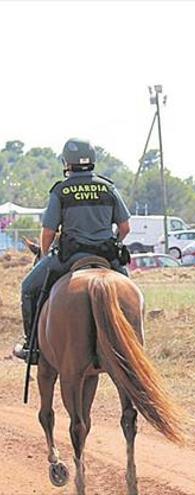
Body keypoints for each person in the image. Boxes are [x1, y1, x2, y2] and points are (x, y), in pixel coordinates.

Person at [13, 138, 131, 363]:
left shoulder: (61, 190)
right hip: (106, 255)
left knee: (28, 288)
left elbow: (48, 232)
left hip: (71, 256)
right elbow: (125, 228)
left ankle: (32, 346)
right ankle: (134, 342)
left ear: (67, 162)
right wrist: (114, 242)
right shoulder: (108, 188)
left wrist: (45, 255)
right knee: (132, 293)